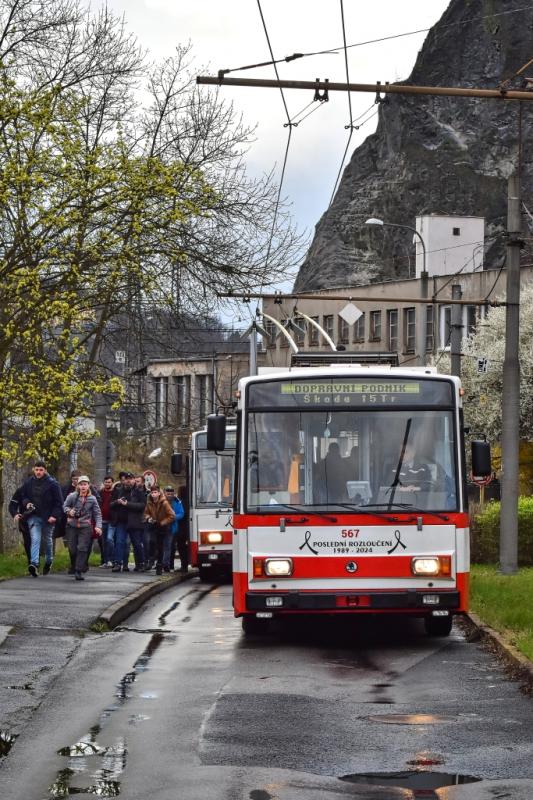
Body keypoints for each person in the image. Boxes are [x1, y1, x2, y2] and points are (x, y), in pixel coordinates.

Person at [19, 460, 63, 577]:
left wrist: (54, 516)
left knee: (47, 540)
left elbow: (59, 502)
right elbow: (23, 496)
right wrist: (27, 503)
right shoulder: (28, 482)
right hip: (34, 516)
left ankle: (49, 561)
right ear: (34, 469)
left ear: (45, 470)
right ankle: (34, 563)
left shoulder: (53, 484)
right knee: (35, 539)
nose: (38, 472)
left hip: (48, 517)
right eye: (37, 470)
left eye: (41, 470)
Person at [64, 476, 102, 581]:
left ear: (88, 485)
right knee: (72, 549)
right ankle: (76, 565)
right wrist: (69, 511)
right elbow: (64, 506)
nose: (83, 486)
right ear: (78, 486)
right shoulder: (72, 496)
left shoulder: (92, 499)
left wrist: (98, 526)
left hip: (85, 527)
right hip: (72, 526)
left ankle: (78, 571)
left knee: (82, 548)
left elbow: (97, 514)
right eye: (81, 484)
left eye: (85, 484)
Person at [110, 472, 146, 572]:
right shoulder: (118, 490)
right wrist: (117, 502)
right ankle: (117, 563)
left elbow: (142, 505)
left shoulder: (138, 491)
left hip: (134, 522)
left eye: (130, 478)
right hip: (121, 521)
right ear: (123, 480)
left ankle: (141, 563)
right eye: (126, 478)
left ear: (134, 480)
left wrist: (127, 504)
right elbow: (111, 505)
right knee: (119, 542)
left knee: (137, 543)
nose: (128, 480)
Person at [143, 486, 176, 575]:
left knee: (161, 546)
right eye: (152, 493)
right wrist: (148, 518)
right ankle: (151, 560)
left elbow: (172, 516)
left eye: (155, 492)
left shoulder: (164, 503)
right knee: (152, 542)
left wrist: (162, 523)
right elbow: (146, 513)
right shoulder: (149, 502)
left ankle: (159, 565)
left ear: (159, 493)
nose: (153, 494)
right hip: (153, 526)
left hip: (162, 527)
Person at [164, 485, 186, 572]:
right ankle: (164, 563)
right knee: (164, 546)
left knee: (170, 547)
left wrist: (174, 517)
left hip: (173, 527)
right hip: (162, 526)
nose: (169, 495)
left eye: (171, 493)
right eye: (168, 493)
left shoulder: (177, 502)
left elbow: (181, 513)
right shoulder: (161, 501)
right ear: (165, 493)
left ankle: (168, 565)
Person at [9, 486, 31, 565]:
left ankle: (36, 562)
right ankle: (32, 564)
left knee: (37, 541)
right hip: (25, 520)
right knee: (28, 542)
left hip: (40, 519)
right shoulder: (21, 490)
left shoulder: (45, 487)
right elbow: (12, 505)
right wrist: (15, 514)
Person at [99, 475, 116, 567]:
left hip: (111, 521)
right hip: (102, 520)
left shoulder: (115, 493)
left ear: (112, 483)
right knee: (104, 542)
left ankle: (112, 560)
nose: (107, 484)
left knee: (110, 539)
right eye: (106, 482)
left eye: (109, 482)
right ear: (103, 483)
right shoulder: (100, 492)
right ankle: (106, 561)